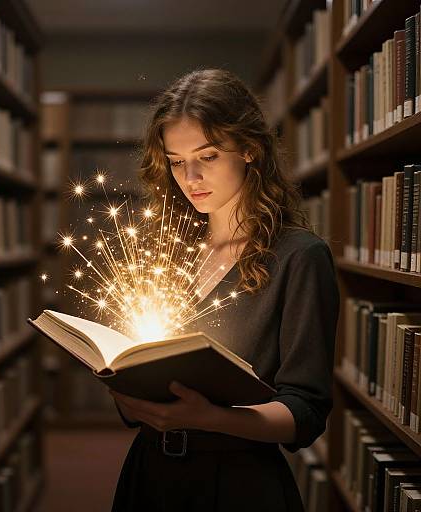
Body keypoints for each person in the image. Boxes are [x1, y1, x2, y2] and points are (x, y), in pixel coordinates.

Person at [109, 68, 340, 511]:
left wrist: (210, 418)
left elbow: (306, 411)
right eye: (176, 161)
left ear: (250, 148)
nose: (190, 176)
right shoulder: (168, 248)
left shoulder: (299, 257)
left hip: (237, 482)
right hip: (150, 474)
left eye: (208, 156)